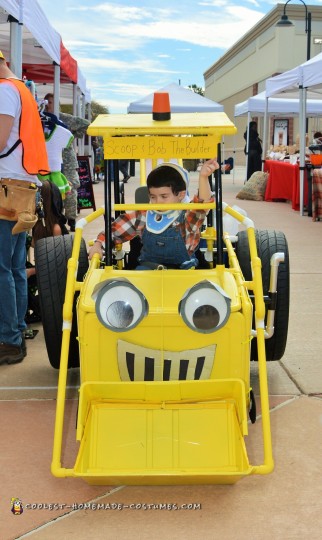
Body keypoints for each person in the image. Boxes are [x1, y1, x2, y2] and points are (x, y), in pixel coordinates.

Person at [0, 50, 49, 365]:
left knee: (3, 269)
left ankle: (10, 339)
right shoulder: (22, 90)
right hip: (21, 188)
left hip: (6, 188)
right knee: (14, 267)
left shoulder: (5, 90)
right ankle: (15, 332)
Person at [88, 159, 218, 269]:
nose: (158, 202)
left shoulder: (187, 216)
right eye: (153, 197)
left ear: (181, 194)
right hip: (147, 270)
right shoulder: (143, 215)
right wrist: (98, 244)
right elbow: (113, 231)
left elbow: (203, 204)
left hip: (184, 271)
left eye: (164, 196)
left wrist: (203, 177)